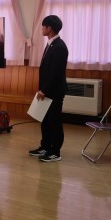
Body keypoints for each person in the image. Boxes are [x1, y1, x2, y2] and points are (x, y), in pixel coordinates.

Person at [29, 15, 68, 162]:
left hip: (54, 91)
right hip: (46, 90)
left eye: (43, 26)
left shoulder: (59, 47)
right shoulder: (51, 44)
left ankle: (55, 152)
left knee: (54, 121)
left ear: (49, 28)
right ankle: (45, 146)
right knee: (45, 120)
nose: (42, 29)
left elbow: (56, 73)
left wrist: (44, 90)